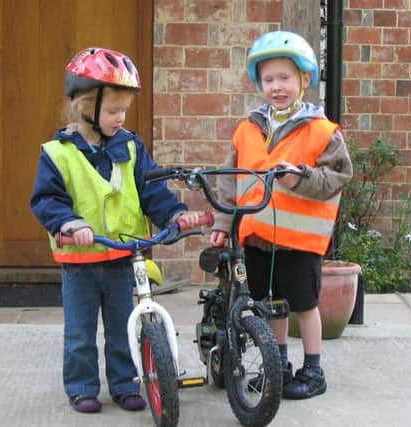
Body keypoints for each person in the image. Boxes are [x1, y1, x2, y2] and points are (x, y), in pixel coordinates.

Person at [30, 47, 203, 414]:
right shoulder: (57, 154)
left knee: (125, 327)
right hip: (81, 259)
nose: (120, 117)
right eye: (112, 111)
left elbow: (151, 188)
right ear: (84, 107)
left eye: (124, 110)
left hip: (124, 256)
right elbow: (46, 200)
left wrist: (174, 214)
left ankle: (125, 384)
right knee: (80, 331)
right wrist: (69, 223)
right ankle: (81, 386)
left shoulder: (130, 145)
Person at [210, 31, 353, 400]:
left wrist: (300, 178)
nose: (277, 87)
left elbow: (339, 176)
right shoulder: (247, 129)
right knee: (271, 306)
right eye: (269, 79)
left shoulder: (321, 130)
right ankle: (280, 368)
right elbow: (230, 183)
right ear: (260, 83)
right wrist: (224, 225)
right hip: (256, 237)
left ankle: (313, 370)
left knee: (304, 306)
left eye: (285, 78)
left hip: (299, 242)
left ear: (304, 80)